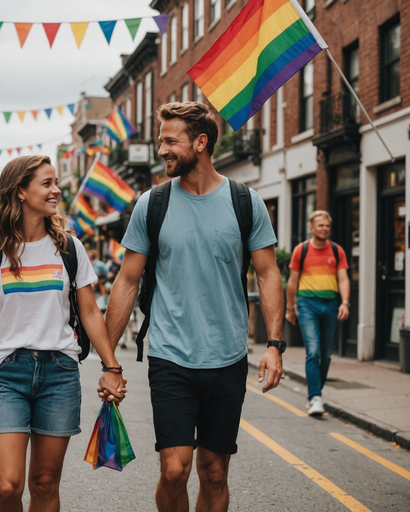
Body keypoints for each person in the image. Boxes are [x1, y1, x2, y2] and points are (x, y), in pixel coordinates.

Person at [104, 102, 285, 512]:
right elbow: (128, 280)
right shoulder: (152, 204)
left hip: (227, 356)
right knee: (174, 469)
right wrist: (108, 358)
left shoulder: (246, 202)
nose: (162, 150)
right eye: (160, 141)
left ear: (201, 143)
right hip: (170, 356)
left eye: (170, 141)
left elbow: (268, 273)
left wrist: (275, 344)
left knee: (214, 470)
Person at [0, 155, 127, 512]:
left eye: (56, 183)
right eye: (47, 183)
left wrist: (111, 367)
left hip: (59, 373)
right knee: (7, 486)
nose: (56, 190)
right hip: (5, 374)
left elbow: (88, 311)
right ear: (20, 191)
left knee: (44, 483)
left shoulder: (69, 248)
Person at [286, 210, 350, 416]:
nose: (324, 229)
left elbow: (343, 279)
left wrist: (345, 303)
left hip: (331, 304)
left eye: (327, 226)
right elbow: (292, 282)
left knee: (326, 355)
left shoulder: (337, 251)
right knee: (313, 351)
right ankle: (316, 397)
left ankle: (315, 394)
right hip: (307, 304)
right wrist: (290, 308)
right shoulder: (301, 250)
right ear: (311, 227)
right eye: (320, 225)